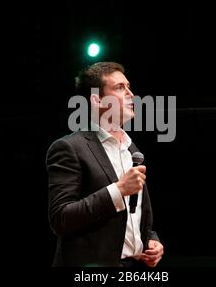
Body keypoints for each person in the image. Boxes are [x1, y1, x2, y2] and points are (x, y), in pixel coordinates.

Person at [46, 62, 164, 267]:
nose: (130, 94)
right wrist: (118, 190)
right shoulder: (69, 147)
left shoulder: (131, 149)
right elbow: (60, 219)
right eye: (120, 88)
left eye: (128, 86)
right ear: (97, 99)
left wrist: (150, 239)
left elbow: (133, 214)